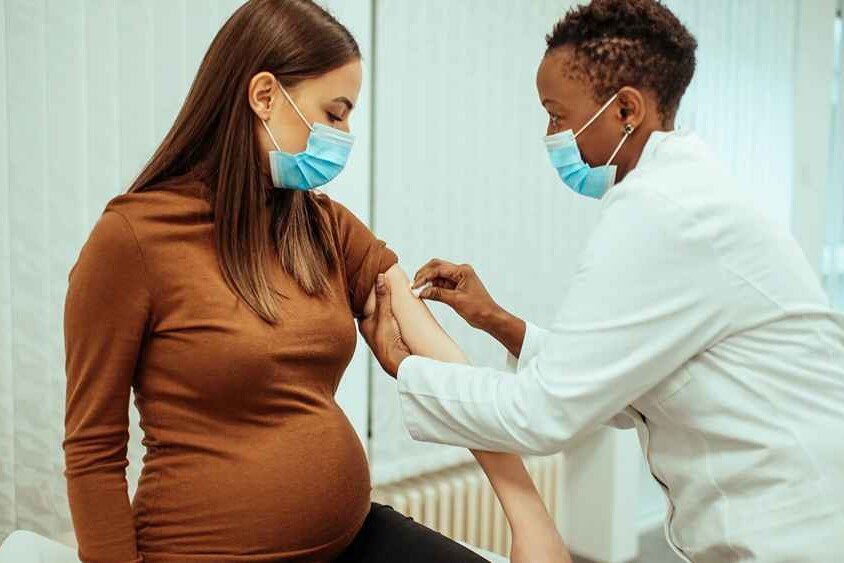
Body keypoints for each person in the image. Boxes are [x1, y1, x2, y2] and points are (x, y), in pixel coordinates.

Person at [62, 1, 568, 561]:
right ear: (264, 96)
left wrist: (530, 518)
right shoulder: (132, 240)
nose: (346, 134)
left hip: (352, 538)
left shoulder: (320, 224)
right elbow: (93, 452)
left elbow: (443, 361)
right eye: (334, 113)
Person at [360, 1, 844, 561]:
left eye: (557, 115)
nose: (550, 135)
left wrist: (404, 365)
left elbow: (545, 413)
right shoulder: (686, 199)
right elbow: (613, 379)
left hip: (795, 531)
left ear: (625, 110)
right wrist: (495, 320)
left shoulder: (661, 212)